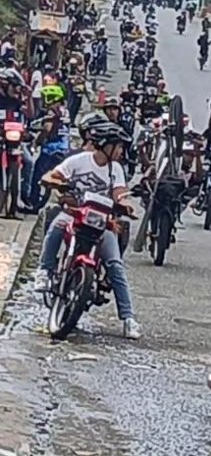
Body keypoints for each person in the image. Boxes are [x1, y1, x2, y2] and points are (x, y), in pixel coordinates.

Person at [34, 123, 142, 339]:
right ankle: (44, 272)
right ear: (105, 145)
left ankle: (128, 319)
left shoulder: (117, 169)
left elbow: (120, 193)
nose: (121, 152)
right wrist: (58, 184)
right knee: (57, 226)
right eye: (118, 147)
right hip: (74, 214)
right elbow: (52, 176)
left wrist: (125, 204)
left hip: (102, 223)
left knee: (114, 264)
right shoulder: (79, 161)